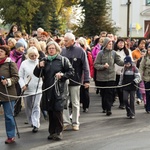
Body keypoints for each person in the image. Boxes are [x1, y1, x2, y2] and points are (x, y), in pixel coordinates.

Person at [34, 41, 74, 140]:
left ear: (56, 49)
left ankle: (58, 131)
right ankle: (51, 132)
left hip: (59, 90)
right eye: (49, 48)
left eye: (53, 48)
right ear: (46, 50)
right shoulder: (44, 60)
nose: (51, 50)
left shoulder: (63, 60)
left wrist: (63, 76)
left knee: (57, 111)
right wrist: (39, 66)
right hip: (47, 89)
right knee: (50, 111)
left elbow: (71, 71)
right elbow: (36, 74)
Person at [61, 33, 90, 131]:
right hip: (64, 80)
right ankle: (65, 121)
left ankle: (75, 122)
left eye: (66, 41)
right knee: (64, 102)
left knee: (75, 102)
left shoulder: (80, 51)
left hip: (76, 81)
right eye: (64, 40)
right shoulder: (62, 51)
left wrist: (86, 80)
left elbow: (86, 67)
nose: (64, 43)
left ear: (72, 41)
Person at [94, 37, 124, 116]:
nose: (111, 46)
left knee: (110, 93)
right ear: (105, 45)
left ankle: (109, 108)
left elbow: (119, 62)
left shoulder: (114, 53)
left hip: (111, 76)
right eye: (109, 44)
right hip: (101, 77)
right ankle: (104, 107)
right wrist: (103, 66)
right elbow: (95, 65)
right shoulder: (100, 53)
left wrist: (126, 62)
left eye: (111, 44)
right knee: (103, 93)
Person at [19, 46, 43, 133]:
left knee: (36, 106)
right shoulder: (24, 63)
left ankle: (36, 123)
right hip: (27, 89)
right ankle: (31, 121)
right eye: (31, 56)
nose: (34, 57)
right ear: (28, 55)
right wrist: (23, 85)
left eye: (35, 55)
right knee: (28, 107)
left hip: (38, 88)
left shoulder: (40, 63)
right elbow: (20, 76)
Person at [0, 45, 19, 144]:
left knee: (8, 116)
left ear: (6, 53)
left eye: (2, 51)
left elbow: (16, 77)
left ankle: (11, 136)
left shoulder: (10, 63)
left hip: (8, 93)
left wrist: (8, 81)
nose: (0, 52)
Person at [114, 38, 133, 109]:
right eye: (120, 42)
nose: (121, 44)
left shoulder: (127, 51)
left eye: (122, 43)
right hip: (116, 72)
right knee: (118, 88)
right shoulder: (114, 51)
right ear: (117, 43)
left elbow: (131, 62)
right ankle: (121, 102)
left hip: (125, 72)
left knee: (124, 88)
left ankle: (123, 102)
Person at [77, 37, 94, 112]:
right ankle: (81, 103)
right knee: (79, 90)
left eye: (82, 45)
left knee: (85, 90)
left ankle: (85, 105)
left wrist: (89, 75)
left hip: (85, 74)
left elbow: (90, 65)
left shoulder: (88, 53)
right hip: (78, 74)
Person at [139, 46, 150, 113]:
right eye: (148, 50)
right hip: (147, 78)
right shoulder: (145, 58)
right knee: (148, 93)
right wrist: (139, 76)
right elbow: (141, 67)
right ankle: (148, 107)